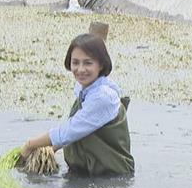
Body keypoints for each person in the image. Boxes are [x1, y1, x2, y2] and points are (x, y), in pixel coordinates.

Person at [20, 33, 134, 176]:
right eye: (75, 62)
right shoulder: (85, 87)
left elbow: (70, 130)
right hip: (86, 171)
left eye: (88, 63)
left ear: (101, 65)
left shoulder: (103, 97)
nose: (80, 69)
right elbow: (79, 127)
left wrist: (30, 145)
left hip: (110, 177)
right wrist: (51, 148)